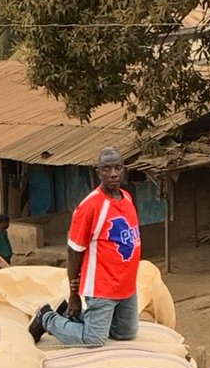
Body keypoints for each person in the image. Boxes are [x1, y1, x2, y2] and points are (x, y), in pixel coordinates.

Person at [28, 147, 142, 347]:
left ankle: (72, 317)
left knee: (126, 334)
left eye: (118, 168)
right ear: (98, 171)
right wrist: (74, 295)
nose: (113, 174)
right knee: (94, 339)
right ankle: (46, 317)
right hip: (102, 287)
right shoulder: (90, 206)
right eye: (107, 169)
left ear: (124, 169)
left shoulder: (127, 198)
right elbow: (74, 251)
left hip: (126, 286)